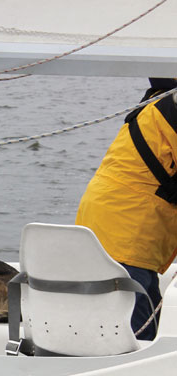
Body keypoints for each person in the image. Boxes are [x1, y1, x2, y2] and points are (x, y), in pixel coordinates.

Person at [76, 78, 177, 341]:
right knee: (135, 334)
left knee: (144, 318)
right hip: (128, 231)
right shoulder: (170, 108)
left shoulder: (157, 105)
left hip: (109, 222)